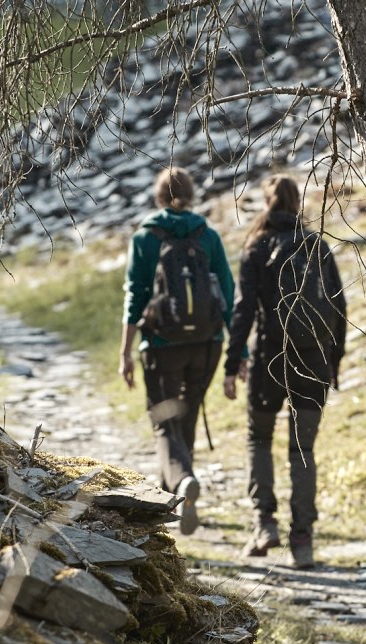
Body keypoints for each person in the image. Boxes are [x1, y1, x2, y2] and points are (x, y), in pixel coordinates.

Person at [221, 174, 347, 569]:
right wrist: (334, 362)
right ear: (297, 204)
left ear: (267, 203)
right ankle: (303, 540)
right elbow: (340, 310)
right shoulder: (317, 246)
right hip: (312, 359)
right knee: (302, 450)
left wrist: (231, 363)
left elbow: (242, 311)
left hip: (269, 359)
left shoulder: (256, 248)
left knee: (259, 438)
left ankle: (265, 524)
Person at [119, 166, 235, 536]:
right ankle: (169, 498)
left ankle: (183, 483)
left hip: (161, 344)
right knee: (185, 417)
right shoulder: (208, 235)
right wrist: (239, 352)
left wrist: (126, 350)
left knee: (164, 421)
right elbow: (228, 294)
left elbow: (136, 295)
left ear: (157, 196)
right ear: (192, 194)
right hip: (207, 344)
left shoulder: (145, 237)